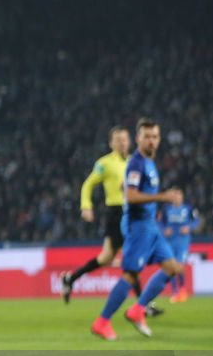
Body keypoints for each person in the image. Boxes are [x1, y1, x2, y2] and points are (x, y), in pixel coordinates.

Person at [91, 119, 184, 340]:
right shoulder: (137, 163)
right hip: (138, 227)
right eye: (147, 137)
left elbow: (129, 187)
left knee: (172, 267)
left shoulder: (149, 163)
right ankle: (102, 321)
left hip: (150, 225)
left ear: (159, 139)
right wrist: (163, 197)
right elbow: (131, 196)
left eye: (155, 136)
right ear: (138, 139)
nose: (151, 141)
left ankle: (138, 309)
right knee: (131, 275)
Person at [62, 126, 161, 316]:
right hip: (116, 213)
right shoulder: (105, 163)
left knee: (106, 258)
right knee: (131, 255)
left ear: (130, 141)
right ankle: (144, 305)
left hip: (133, 212)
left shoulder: (135, 161)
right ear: (111, 143)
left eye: (124, 139)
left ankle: (71, 279)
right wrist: (86, 206)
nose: (122, 143)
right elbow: (88, 184)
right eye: (118, 140)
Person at [157, 200, 199, 303]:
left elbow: (196, 220)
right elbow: (160, 222)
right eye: (174, 194)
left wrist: (189, 227)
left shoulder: (188, 208)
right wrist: (163, 229)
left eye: (178, 194)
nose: (176, 197)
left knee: (180, 266)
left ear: (181, 196)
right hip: (170, 240)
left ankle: (182, 290)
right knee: (171, 266)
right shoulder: (166, 208)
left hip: (182, 241)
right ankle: (175, 292)